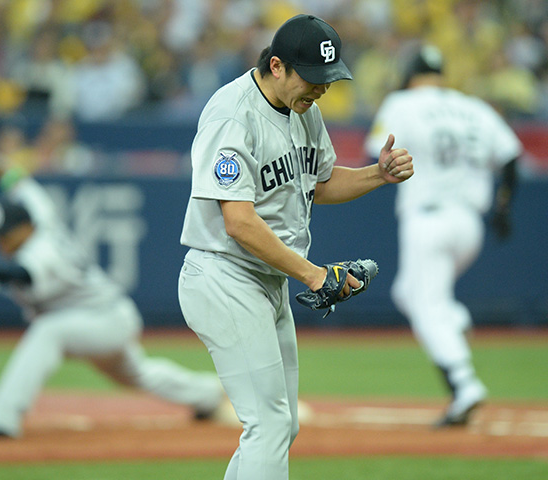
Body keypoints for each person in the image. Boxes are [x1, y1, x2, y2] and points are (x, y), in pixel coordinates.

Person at [177, 14, 413, 480]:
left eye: (328, 79)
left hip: (265, 280)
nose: (321, 89)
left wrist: (376, 174)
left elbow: (318, 182)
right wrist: (314, 275)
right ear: (278, 66)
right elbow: (239, 223)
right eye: (313, 78)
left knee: (282, 427)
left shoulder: (304, 109)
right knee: (268, 424)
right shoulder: (233, 114)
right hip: (224, 276)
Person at [0, 132, 230, 442]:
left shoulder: (43, 252)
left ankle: (2, 419)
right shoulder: (39, 212)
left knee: (48, 331)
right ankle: (207, 394)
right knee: (136, 374)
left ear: (24, 229)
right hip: (98, 317)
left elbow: (17, 275)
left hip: (104, 320)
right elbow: (13, 177)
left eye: (4, 234)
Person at [364, 45, 522, 427]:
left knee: (426, 305)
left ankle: (465, 385)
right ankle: (455, 319)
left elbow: (376, 154)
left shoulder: (402, 102)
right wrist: (503, 206)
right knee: (410, 294)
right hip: (470, 225)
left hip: (428, 220)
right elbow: (511, 156)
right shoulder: (473, 106)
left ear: (410, 76)